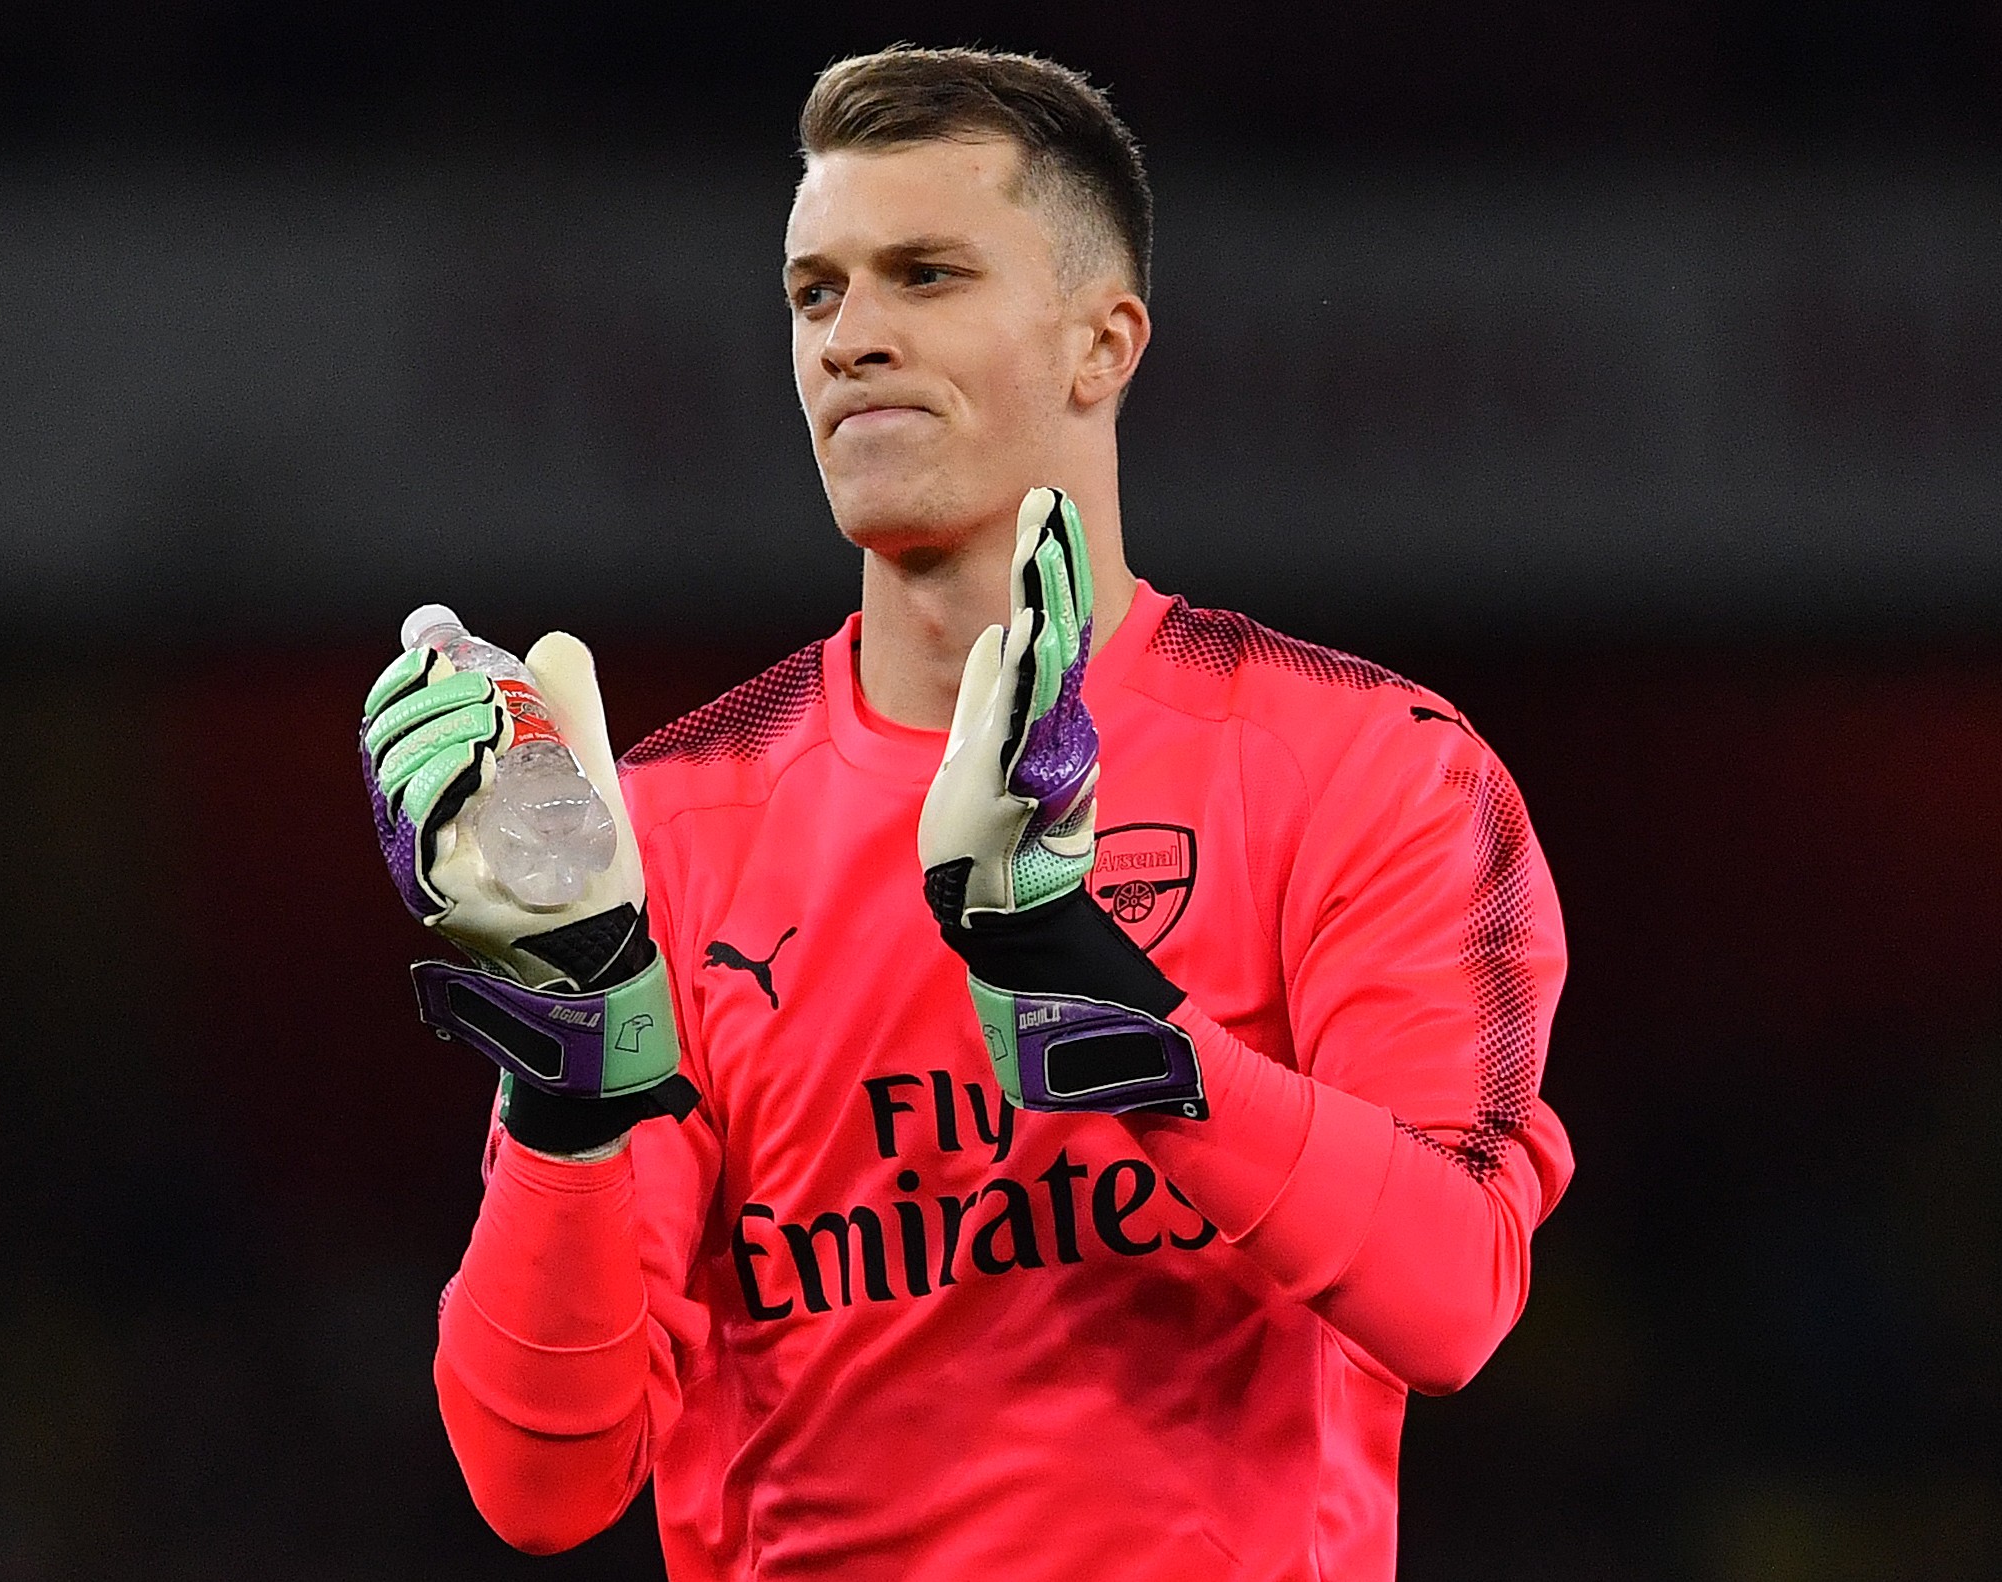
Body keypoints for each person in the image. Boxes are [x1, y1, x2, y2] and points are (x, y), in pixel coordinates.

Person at [359, 45, 1572, 1581]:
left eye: (922, 275)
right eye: (815, 294)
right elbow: (544, 1478)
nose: (851, 339)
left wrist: (1103, 1006)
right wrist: (574, 1062)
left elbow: (1453, 1294)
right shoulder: (660, 834)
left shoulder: (1369, 768)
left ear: (1100, 343)